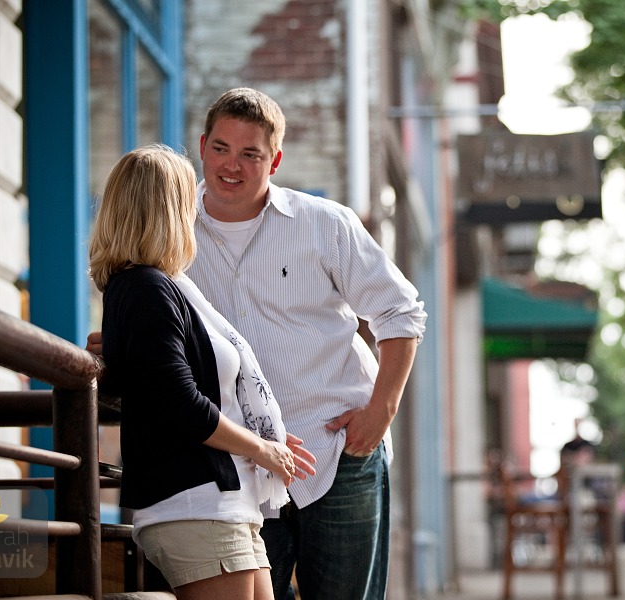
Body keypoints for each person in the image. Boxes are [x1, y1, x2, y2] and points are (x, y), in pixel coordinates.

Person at [88, 88, 427, 600]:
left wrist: (381, 409)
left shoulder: (324, 224)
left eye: (251, 153)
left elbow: (401, 311)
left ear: (276, 159)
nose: (232, 165)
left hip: (338, 451)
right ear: (202, 147)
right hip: (239, 468)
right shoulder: (171, 232)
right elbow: (155, 340)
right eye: (222, 148)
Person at [88, 143, 316, 600]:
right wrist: (261, 448)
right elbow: (179, 403)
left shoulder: (165, 287)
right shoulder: (145, 289)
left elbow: (200, 386)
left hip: (224, 506)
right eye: (187, 200)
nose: (196, 210)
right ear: (168, 210)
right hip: (194, 506)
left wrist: (263, 437)